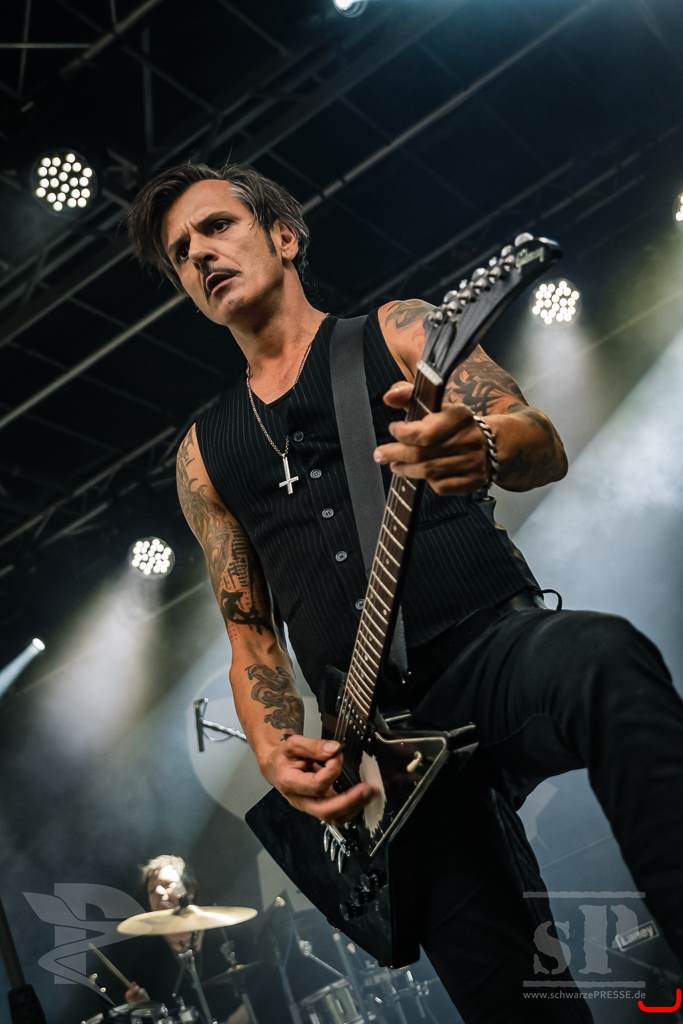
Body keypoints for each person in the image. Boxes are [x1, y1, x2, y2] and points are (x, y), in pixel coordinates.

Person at [126, 162, 683, 1023]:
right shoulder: (203, 454)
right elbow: (249, 634)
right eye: (179, 253)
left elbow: (538, 440)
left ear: (283, 236)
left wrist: (483, 447)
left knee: (602, 657)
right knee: (507, 998)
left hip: (490, 651)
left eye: (216, 227)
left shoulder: (397, 331)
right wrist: (274, 751)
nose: (198, 253)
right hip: (381, 744)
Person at [122, 854, 248, 1023]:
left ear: (190, 889)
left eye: (166, 884)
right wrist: (145, 1007)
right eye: (152, 890)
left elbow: (264, 983)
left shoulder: (226, 934)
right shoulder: (148, 961)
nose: (158, 892)